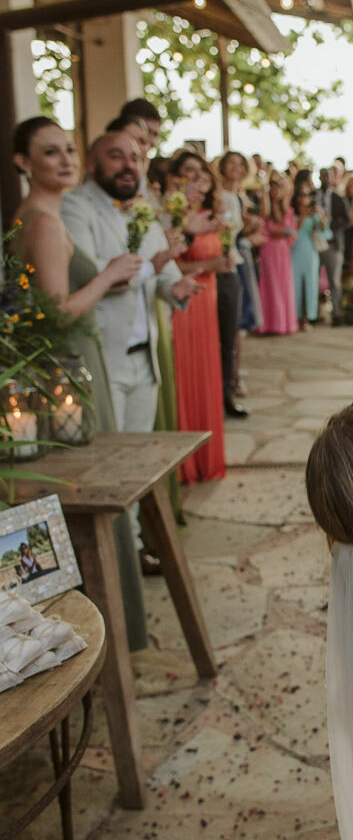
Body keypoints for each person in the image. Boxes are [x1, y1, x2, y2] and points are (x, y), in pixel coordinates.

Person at [12, 117, 148, 647]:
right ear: (23, 163)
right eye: (50, 152)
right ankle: (110, 632)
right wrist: (110, 275)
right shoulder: (43, 223)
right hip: (70, 363)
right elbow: (59, 311)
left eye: (69, 148)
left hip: (64, 363)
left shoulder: (35, 215)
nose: (66, 159)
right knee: (96, 493)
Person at [61, 129, 199, 570]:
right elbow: (87, 276)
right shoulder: (74, 208)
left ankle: (133, 548)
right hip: (102, 360)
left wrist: (176, 285)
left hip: (144, 357)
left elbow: (162, 275)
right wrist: (149, 271)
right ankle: (105, 560)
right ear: (94, 162)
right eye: (116, 156)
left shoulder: (143, 209)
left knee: (135, 465)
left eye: (136, 158)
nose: (128, 165)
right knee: (104, 469)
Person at [164, 152, 227, 484]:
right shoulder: (172, 217)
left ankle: (207, 458)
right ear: (174, 177)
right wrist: (210, 267)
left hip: (207, 305)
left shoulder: (209, 216)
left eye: (201, 171)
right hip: (183, 306)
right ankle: (185, 464)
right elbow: (166, 267)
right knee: (185, 376)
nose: (197, 177)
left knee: (206, 372)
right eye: (188, 171)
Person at [212, 152, 250, 421]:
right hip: (215, 262)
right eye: (231, 163)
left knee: (231, 332)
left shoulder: (237, 196)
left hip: (232, 262)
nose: (236, 168)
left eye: (240, 164)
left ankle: (228, 390)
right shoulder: (215, 197)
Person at [257, 171, 298, 335]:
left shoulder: (287, 209)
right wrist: (277, 232)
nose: (275, 192)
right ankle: (268, 324)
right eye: (273, 188)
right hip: (269, 249)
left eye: (278, 188)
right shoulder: (266, 207)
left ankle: (283, 324)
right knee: (270, 284)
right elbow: (263, 228)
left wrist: (285, 233)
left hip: (283, 251)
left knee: (283, 285)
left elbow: (293, 231)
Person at [291, 177, 328, 330]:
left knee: (310, 284)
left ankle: (307, 318)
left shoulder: (314, 213)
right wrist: (302, 216)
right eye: (301, 195)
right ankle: (295, 317)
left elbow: (323, 230)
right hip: (294, 251)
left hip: (310, 252)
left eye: (307, 195)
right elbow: (293, 231)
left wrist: (321, 216)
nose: (304, 198)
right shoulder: (291, 212)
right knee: (295, 285)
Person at [317, 165, 350, 323]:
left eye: (328, 176)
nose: (325, 179)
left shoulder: (338, 198)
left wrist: (332, 225)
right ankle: (314, 314)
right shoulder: (313, 197)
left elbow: (347, 220)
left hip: (333, 243)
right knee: (314, 280)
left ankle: (336, 313)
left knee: (334, 280)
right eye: (323, 175)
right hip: (314, 243)